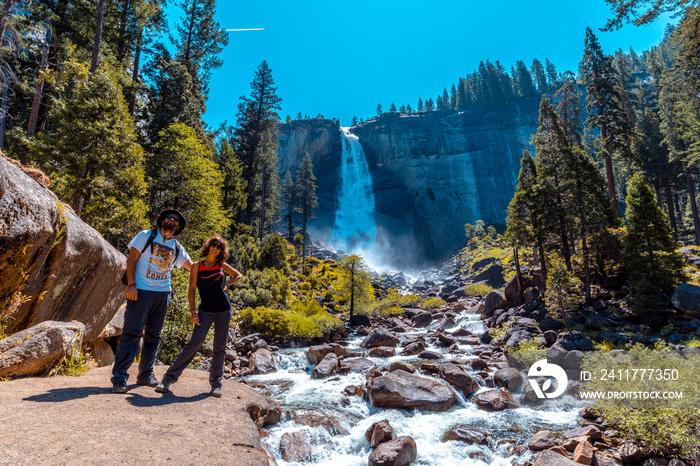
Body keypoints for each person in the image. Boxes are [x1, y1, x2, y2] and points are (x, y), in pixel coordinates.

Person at [111, 209, 193, 393]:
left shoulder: (177, 246)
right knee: (131, 334)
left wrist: (215, 268)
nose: (171, 221)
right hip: (140, 291)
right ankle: (119, 378)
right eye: (169, 218)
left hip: (163, 294)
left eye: (175, 220)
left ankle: (145, 374)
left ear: (178, 226)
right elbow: (131, 259)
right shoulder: (146, 235)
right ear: (162, 220)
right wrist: (131, 285)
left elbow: (191, 266)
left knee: (154, 336)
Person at [155, 235, 242, 397]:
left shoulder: (221, 265)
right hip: (205, 311)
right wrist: (193, 310)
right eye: (213, 245)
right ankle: (168, 379)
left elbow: (238, 275)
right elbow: (192, 289)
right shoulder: (197, 266)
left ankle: (216, 384)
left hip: (224, 310)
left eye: (219, 247)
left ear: (221, 251)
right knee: (194, 343)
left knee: (220, 348)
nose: (215, 248)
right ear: (208, 246)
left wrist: (226, 284)